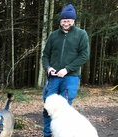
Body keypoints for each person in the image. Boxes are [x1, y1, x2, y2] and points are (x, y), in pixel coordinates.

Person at [41, 4, 90, 137]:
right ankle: (47, 134)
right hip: (53, 78)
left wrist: (67, 69)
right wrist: (48, 68)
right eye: (64, 20)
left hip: (71, 78)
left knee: (63, 110)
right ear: (60, 21)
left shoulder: (81, 34)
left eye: (69, 20)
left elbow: (84, 56)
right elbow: (45, 55)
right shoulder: (53, 35)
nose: (66, 23)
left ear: (73, 21)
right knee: (48, 108)